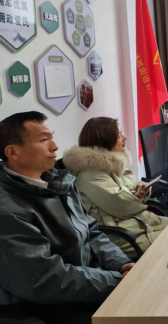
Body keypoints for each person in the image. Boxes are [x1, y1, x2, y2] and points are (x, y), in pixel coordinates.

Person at [0, 112, 134, 324]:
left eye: (52, 137)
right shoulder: (8, 210)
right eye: (44, 140)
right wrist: (116, 281)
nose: (54, 146)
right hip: (45, 306)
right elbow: (45, 278)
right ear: (13, 152)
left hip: (86, 283)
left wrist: (121, 264)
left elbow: (91, 231)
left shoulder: (58, 183)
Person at [63, 117, 168, 257]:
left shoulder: (112, 164)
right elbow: (123, 205)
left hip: (136, 223)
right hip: (120, 237)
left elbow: (131, 187)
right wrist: (137, 194)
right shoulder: (89, 175)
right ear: (103, 140)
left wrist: (140, 190)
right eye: (119, 135)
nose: (125, 138)